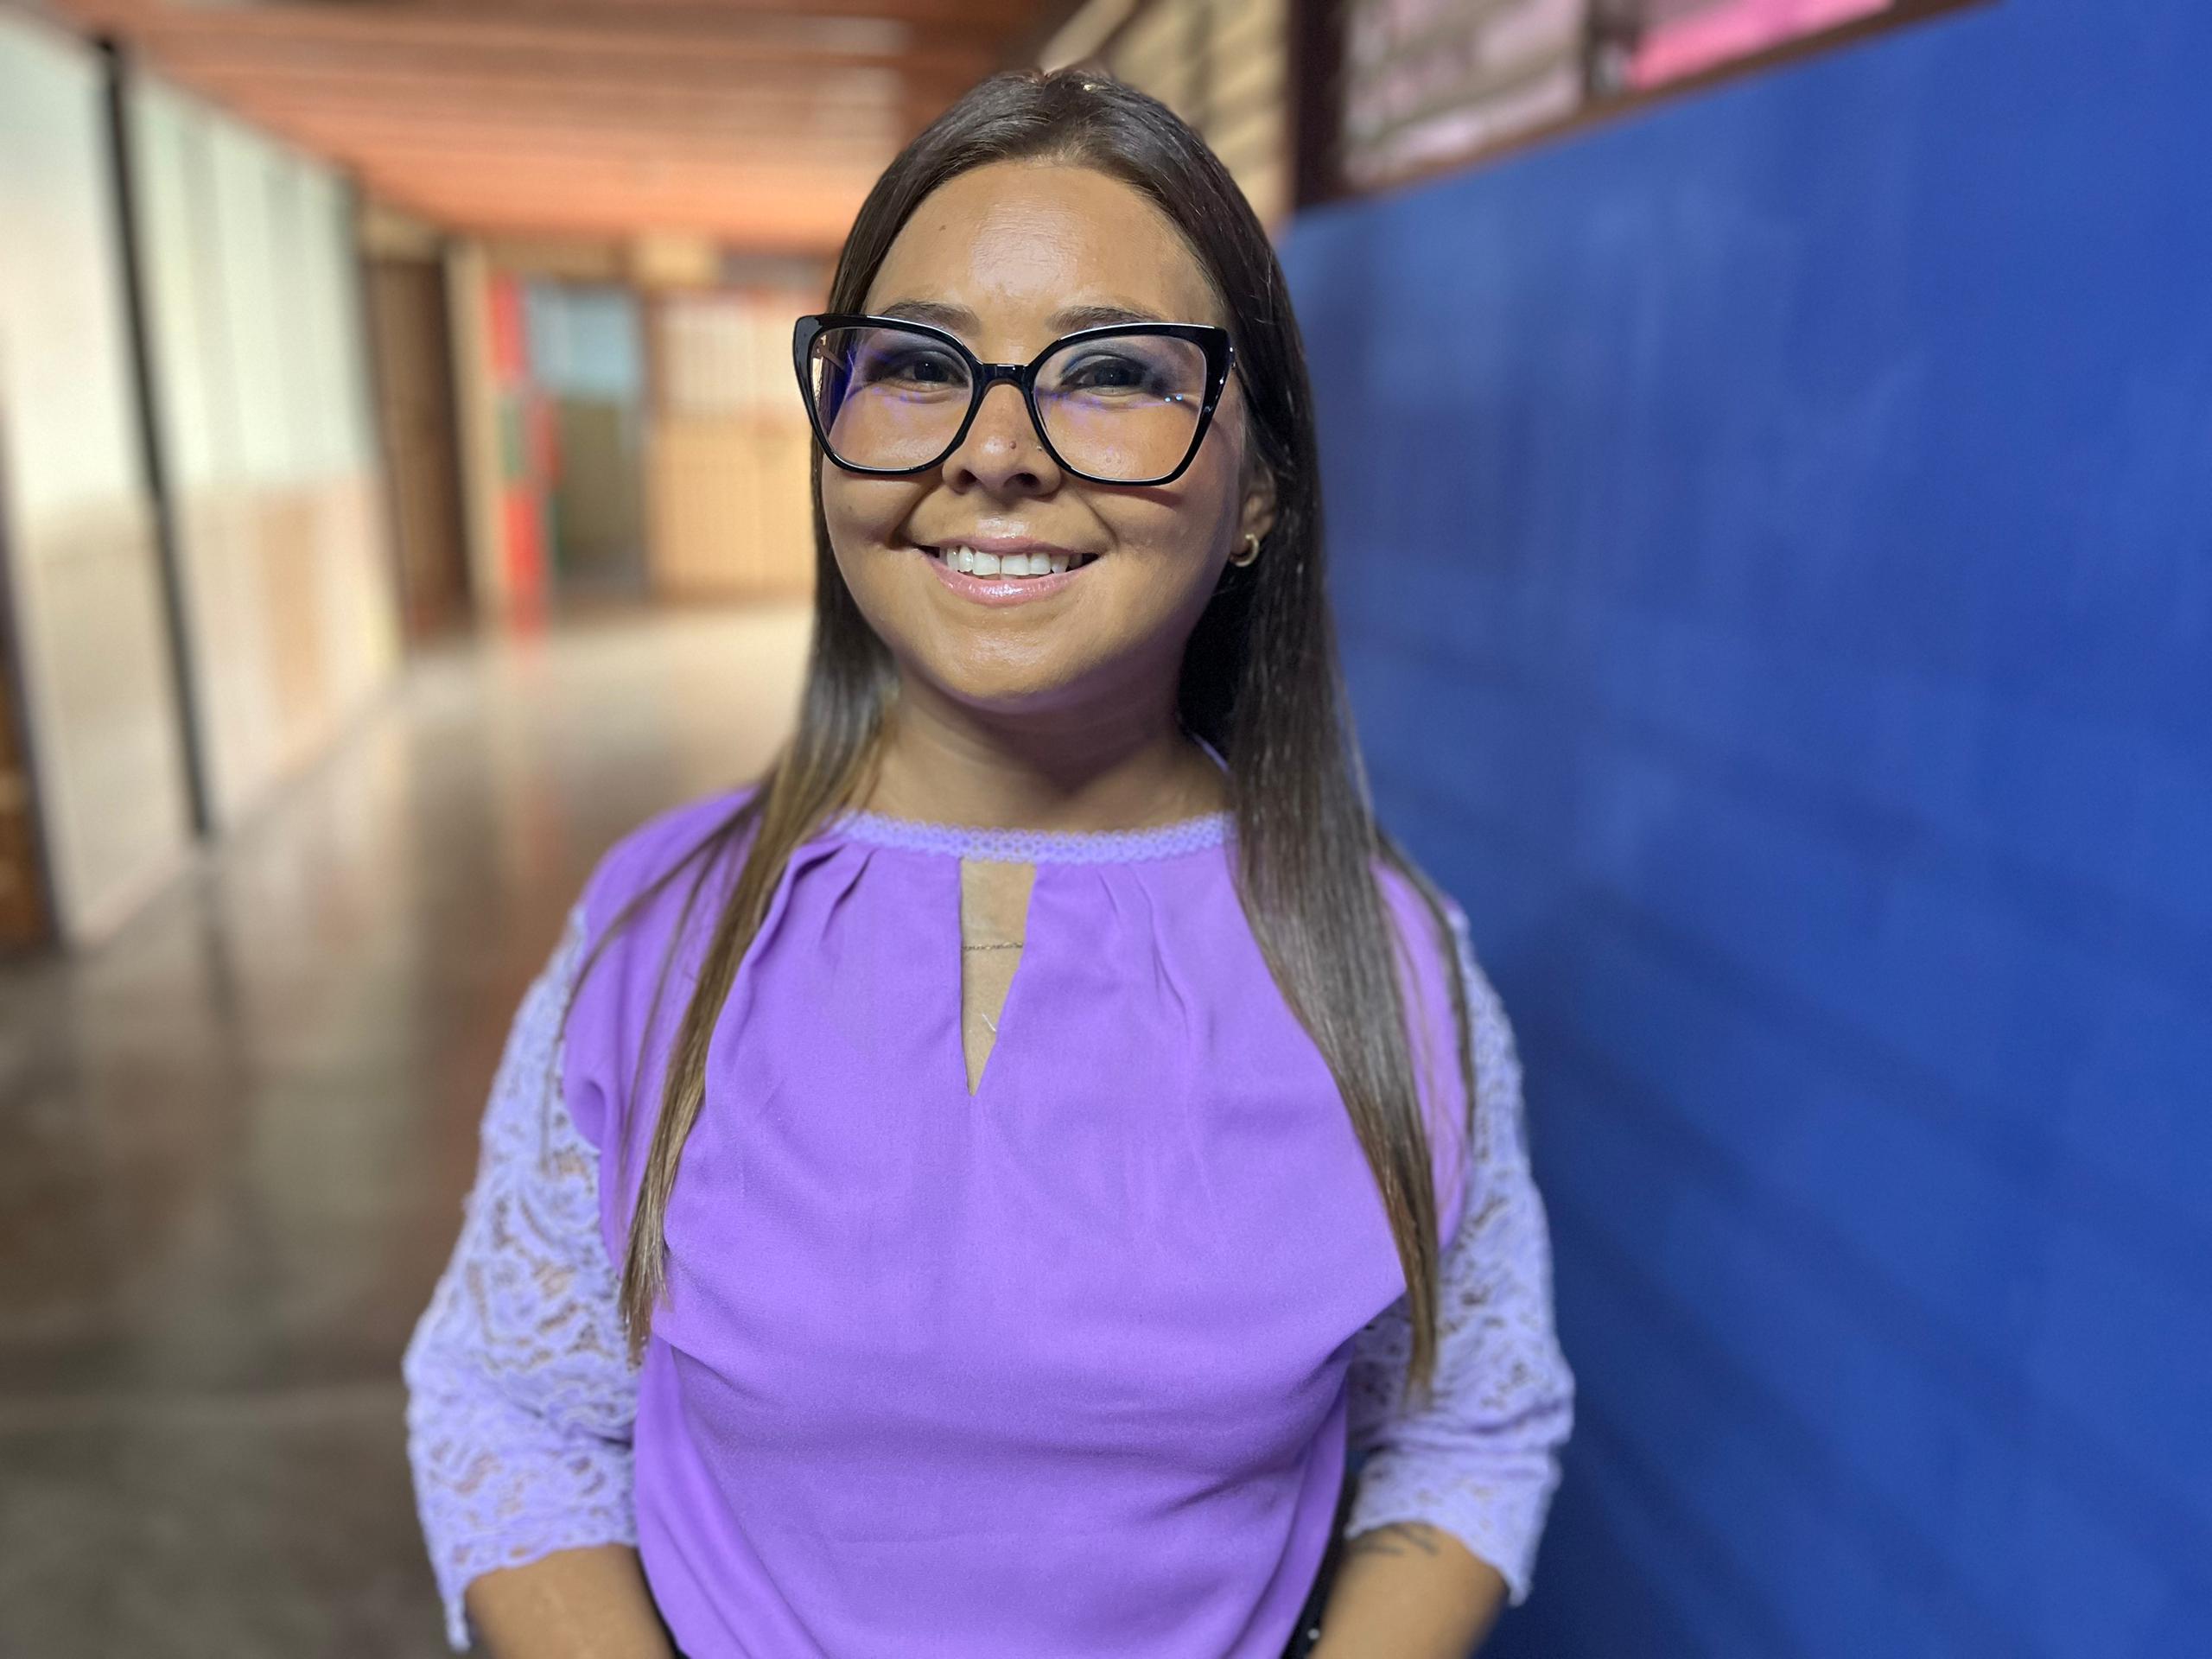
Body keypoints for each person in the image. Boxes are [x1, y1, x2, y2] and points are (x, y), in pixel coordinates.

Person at [402, 67, 1573, 1659]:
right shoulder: (661, 931)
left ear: (1259, 490)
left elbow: (1469, 1424)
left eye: (1112, 371)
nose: (997, 451)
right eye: (915, 363)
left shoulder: (1379, 960)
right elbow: (512, 1409)